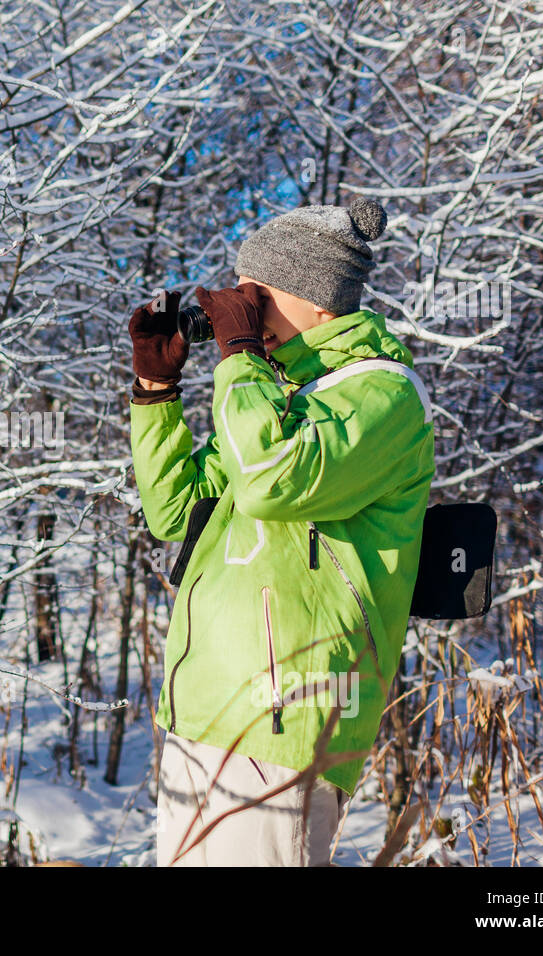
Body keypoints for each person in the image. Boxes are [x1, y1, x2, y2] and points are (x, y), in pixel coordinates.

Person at [127, 198, 435, 866]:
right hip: (201, 713)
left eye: (257, 297)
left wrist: (239, 356)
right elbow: (174, 512)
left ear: (319, 301)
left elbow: (271, 480)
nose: (245, 312)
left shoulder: (383, 396)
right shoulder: (275, 398)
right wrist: (156, 392)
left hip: (284, 726)